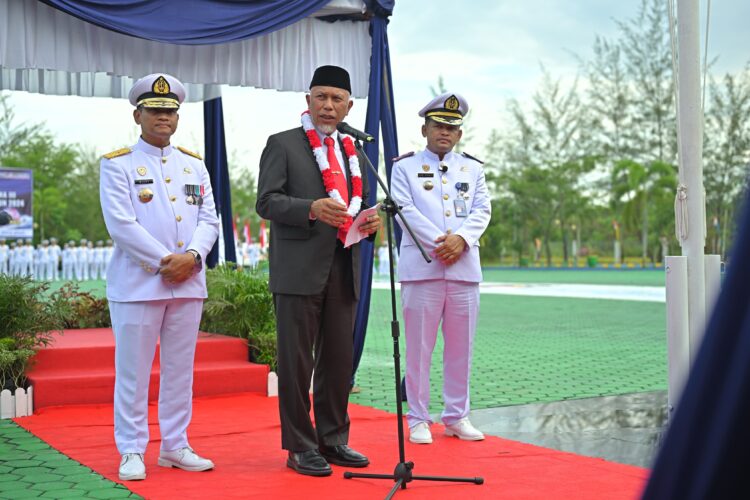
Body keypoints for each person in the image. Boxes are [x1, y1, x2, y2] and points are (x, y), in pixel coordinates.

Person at [256, 65, 380, 477]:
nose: (328, 105)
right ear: (308, 100)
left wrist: (372, 223)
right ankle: (299, 445)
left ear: (349, 105)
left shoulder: (355, 150)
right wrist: (309, 208)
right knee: (296, 363)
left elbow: (361, 202)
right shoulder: (284, 144)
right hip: (298, 270)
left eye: (337, 99)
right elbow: (267, 202)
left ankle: (333, 439)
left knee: (338, 360)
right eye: (321, 97)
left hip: (345, 266)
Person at [99, 73, 219, 481]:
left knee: (180, 370)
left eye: (169, 111)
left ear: (177, 116)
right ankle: (131, 449)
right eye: (154, 110)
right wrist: (168, 261)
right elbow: (121, 225)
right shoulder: (118, 164)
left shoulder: (194, 164)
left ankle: (175, 444)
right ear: (138, 114)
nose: (162, 117)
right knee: (133, 372)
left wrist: (193, 257)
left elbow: (209, 219)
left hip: (188, 284)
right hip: (137, 286)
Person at [390, 91, 491, 445]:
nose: (444, 132)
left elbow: (482, 210)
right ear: (424, 129)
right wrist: (441, 242)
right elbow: (403, 208)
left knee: (461, 347)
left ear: (460, 134)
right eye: (437, 126)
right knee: (419, 348)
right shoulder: (403, 167)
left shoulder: (473, 168)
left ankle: (456, 416)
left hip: (463, 268)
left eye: (451, 127)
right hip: (422, 267)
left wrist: (461, 239)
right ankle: (418, 417)